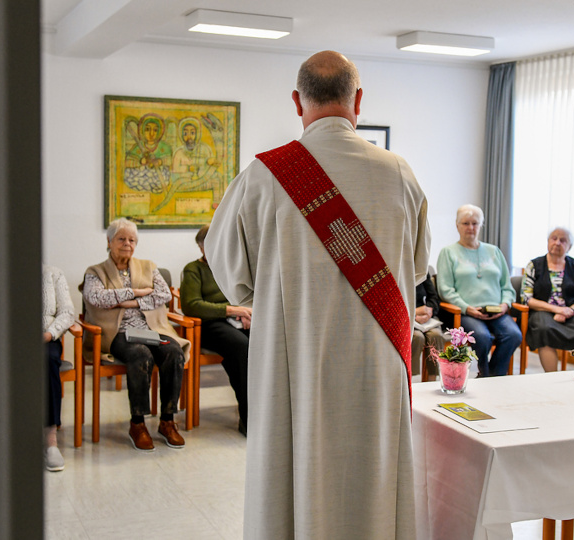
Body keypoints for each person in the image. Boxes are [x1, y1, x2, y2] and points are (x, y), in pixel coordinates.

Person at [205, 50, 429, 540]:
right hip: (375, 364)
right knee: (374, 478)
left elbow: (231, 275)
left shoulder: (264, 175)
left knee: (292, 471)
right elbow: (415, 272)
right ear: (359, 101)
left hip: (294, 360)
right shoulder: (399, 173)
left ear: (297, 101)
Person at [82, 218, 189, 452]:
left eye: (132, 240)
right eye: (121, 238)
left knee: (173, 352)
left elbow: (164, 295)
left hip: (152, 328)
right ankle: (138, 424)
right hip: (118, 332)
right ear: (109, 241)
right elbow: (97, 298)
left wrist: (125, 301)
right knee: (141, 356)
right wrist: (138, 292)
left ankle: (168, 420)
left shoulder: (149, 266)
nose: (127, 243)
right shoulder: (95, 272)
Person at [180, 224, 250, 436]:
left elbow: (247, 294)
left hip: (238, 319)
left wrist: (247, 312)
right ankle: (248, 417)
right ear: (201, 247)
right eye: (209, 244)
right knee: (241, 347)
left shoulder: (232, 266)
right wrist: (229, 310)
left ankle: (271, 411)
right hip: (209, 324)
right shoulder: (193, 269)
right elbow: (192, 305)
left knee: (266, 342)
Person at [436, 204, 521, 377]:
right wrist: (467, 308)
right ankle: (486, 374)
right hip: (466, 312)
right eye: (465, 223)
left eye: (475, 223)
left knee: (513, 334)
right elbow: (445, 289)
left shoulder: (494, 251)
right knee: (482, 338)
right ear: (457, 225)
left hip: (497, 311)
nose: (470, 227)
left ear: (481, 225)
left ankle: (492, 376)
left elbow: (507, 286)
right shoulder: (448, 253)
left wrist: (505, 305)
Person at [520, 227, 574, 371]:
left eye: (563, 240)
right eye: (554, 238)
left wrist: (570, 310)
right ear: (548, 241)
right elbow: (526, 298)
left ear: (569, 246)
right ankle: (552, 378)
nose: (557, 243)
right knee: (544, 329)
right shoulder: (534, 265)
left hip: (572, 312)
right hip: (542, 311)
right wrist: (557, 309)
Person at [42, 264, 75, 472]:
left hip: (46, 336)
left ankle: (50, 439)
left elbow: (68, 313)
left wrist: (49, 334)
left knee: (47, 361)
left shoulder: (53, 273)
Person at [412, 272, 446, 381]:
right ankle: (410, 381)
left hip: (426, 318)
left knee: (436, 335)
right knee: (417, 337)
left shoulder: (423, 271)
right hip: (405, 317)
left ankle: (432, 380)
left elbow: (434, 298)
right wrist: (413, 313)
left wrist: (428, 312)